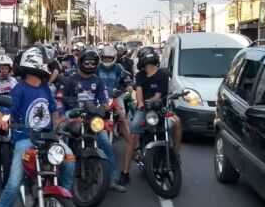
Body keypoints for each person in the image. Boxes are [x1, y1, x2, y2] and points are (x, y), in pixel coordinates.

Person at [0, 46, 75, 207]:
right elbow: (3, 110)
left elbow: (53, 111)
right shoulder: (19, 88)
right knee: (13, 183)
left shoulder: (46, 88)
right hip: (25, 139)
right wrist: (1, 120)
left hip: (49, 137)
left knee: (70, 161)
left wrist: (60, 124)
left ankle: (60, 205)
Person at [60, 48, 124, 192]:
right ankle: (59, 176)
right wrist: (62, 114)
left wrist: (103, 108)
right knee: (60, 139)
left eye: (92, 63)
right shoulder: (71, 80)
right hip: (74, 114)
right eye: (87, 63)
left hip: (92, 116)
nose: (89, 66)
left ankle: (112, 179)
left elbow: (104, 100)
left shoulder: (98, 81)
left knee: (106, 143)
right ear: (81, 63)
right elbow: (60, 99)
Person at [122, 50, 183, 185]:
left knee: (177, 122)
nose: (148, 66)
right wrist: (141, 104)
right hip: (145, 110)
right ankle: (125, 172)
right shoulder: (140, 76)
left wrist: (153, 101)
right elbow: (139, 92)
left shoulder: (163, 73)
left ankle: (175, 156)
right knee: (133, 135)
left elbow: (159, 95)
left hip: (161, 108)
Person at [97, 45, 132, 145]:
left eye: (110, 58)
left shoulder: (118, 67)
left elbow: (126, 77)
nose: (107, 60)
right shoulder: (97, 68)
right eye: (105, 58)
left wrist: (129, 85)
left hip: (115, 96)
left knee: (123, 117)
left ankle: (131, 145)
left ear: (114, 58)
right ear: (102, 57)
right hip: (100, 97)